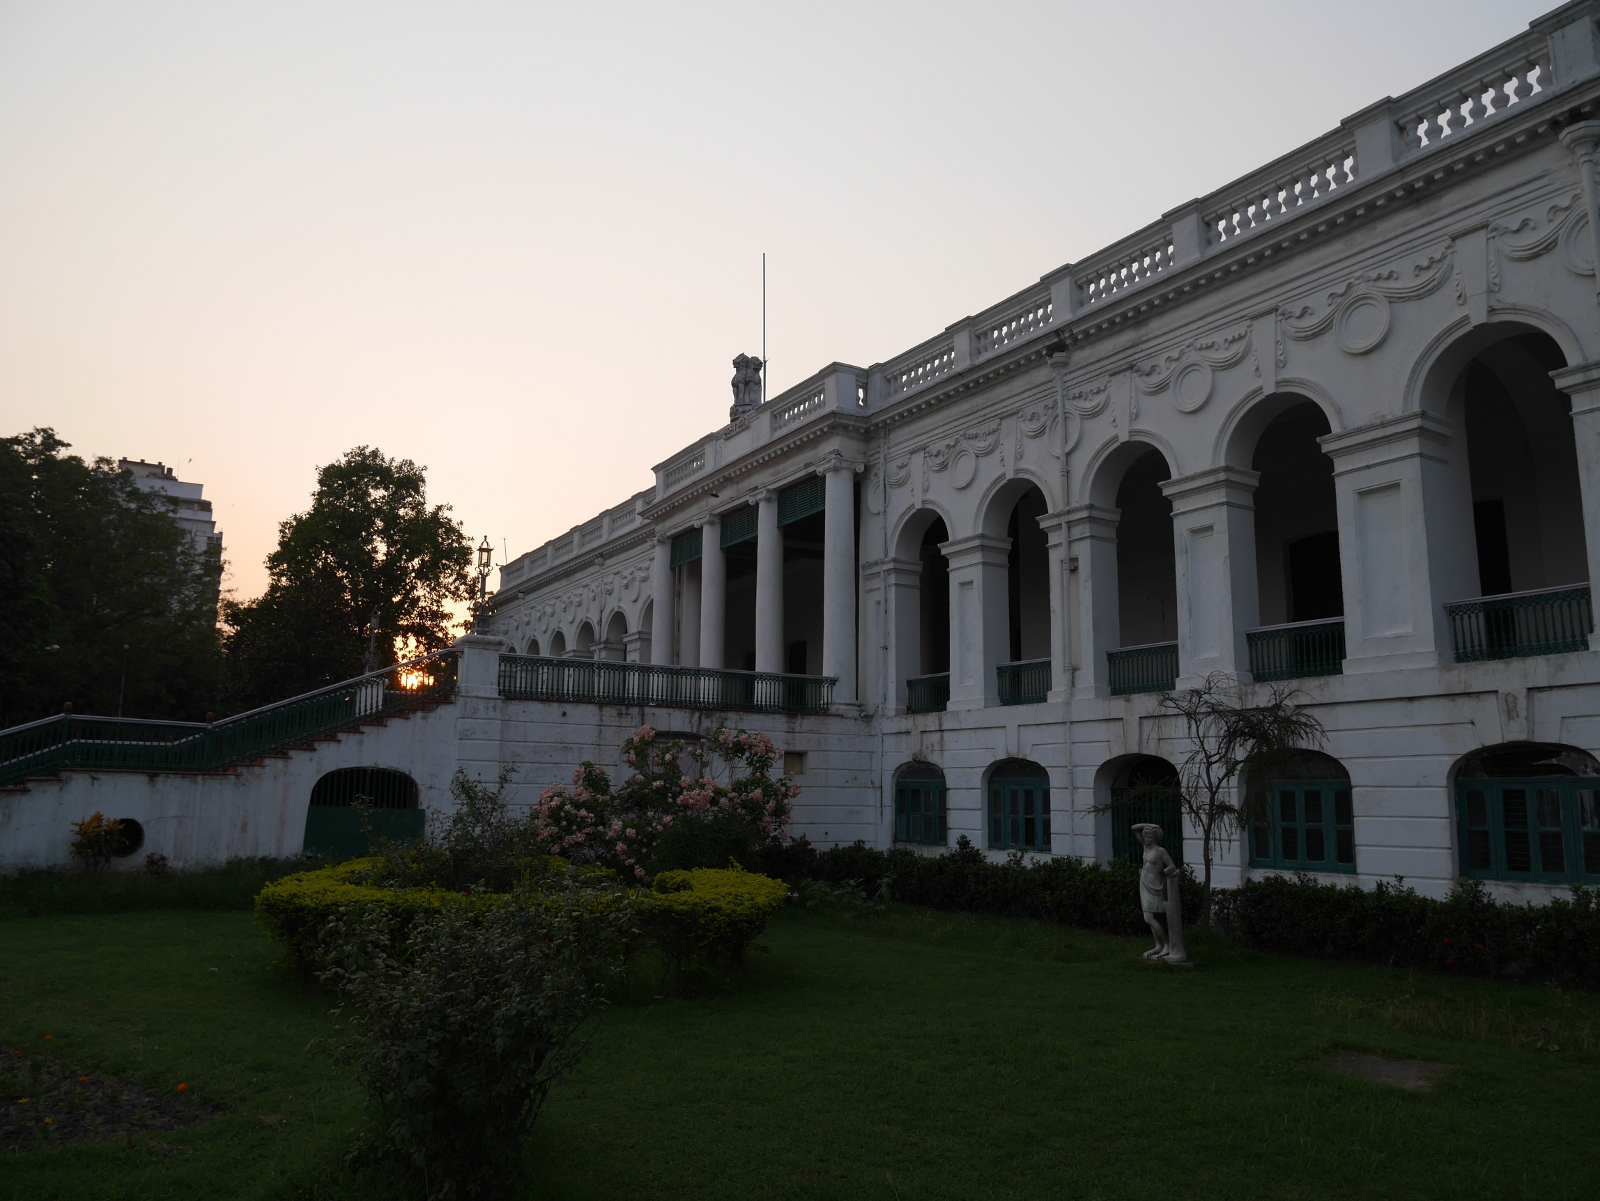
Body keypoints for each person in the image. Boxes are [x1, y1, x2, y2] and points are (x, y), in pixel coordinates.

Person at [1133, 822, 1179, 961]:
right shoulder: (1146, 849)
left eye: (1150, 837)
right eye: (1145, 837)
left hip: (1155, 885)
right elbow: (1134, 829)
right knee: (1149, 915)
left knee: (1149, 918)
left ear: (1155, 838)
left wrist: (1166, 872)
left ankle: (1167, 944)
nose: (1146, 840)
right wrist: (1151, 825)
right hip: (1144, 882)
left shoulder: (1160, 851)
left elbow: (1171, 866)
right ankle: (1158, 945)